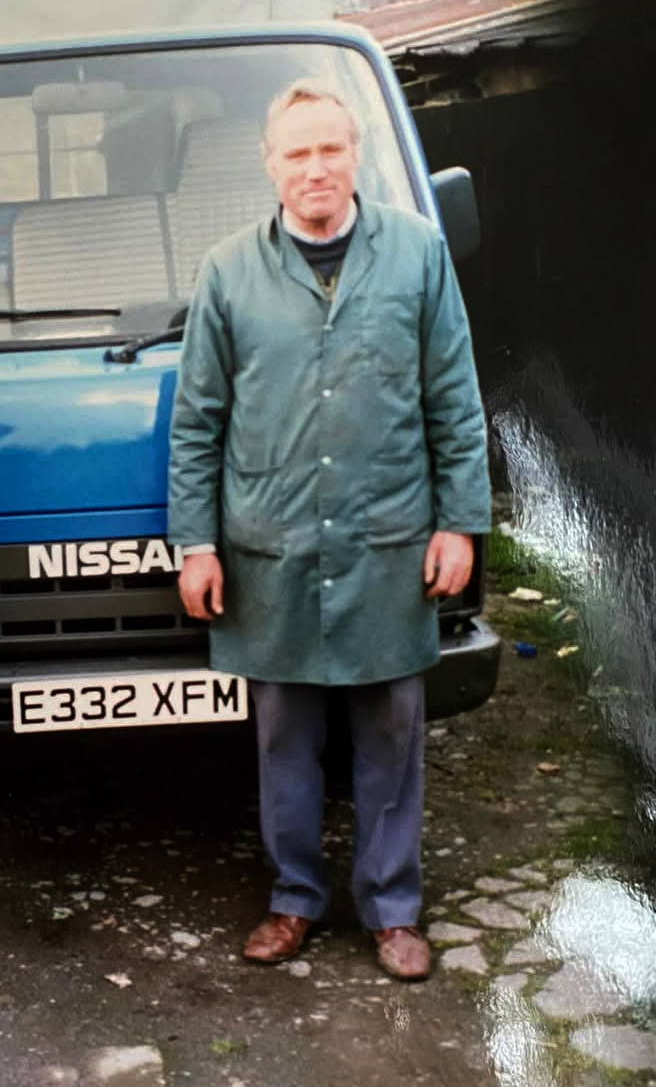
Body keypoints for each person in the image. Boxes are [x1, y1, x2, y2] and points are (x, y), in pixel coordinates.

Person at [167, 79, 490, 981]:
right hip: (270, 551)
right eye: (297, 153)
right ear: (270, 166)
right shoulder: (230, 269)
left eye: (330, 149)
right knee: (284, 737)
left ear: (356, 155)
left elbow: (453, 400)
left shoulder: (418, 254)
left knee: (392, 729)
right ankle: (292, 899)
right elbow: (198, 422)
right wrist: (197, 544)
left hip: (391, 542)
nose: (316, 168)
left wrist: (460, 524)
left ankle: (392, 909)